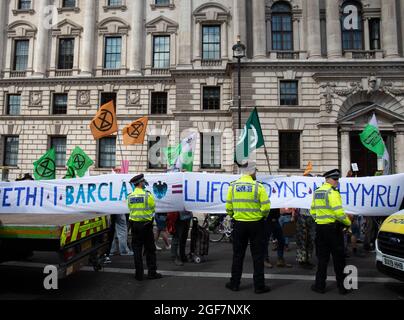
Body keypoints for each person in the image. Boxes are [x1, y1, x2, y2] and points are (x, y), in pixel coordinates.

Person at [225, 163, 271, 294]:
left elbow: (228, 206)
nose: (256, 173)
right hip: (256, 224)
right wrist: (261, 216)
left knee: (238, 255)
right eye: (255, 171)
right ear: (251, 172)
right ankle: (259, 286)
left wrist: (233, 215)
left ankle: (234, 283)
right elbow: (266, 207)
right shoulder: (258, 187)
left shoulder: (233, 186)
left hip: (239, 224)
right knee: (258, 256)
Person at [310, 169, 352, 295]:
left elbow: (312, 211)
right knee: (339, 259)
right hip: (333, 230)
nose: (337, 182)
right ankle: (342, 287)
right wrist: (348, 223)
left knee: (322, 259)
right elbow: (339, 213)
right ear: (328, 179)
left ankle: (319, 286)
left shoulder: (317, 192)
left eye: (337, 179)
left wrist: (319, 221)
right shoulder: (332, 193)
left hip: (320, 229)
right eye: (335, 179)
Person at [127, 174, 162, 281]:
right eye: (143, 182)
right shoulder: (148, 195)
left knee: (137, 251)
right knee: (150, 250)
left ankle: (139, 275)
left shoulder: (130, 196)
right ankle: (152, 273)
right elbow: (152, 209)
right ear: (141, 183)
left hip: (135, 226)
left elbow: (130, 209)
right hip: (146, 226)